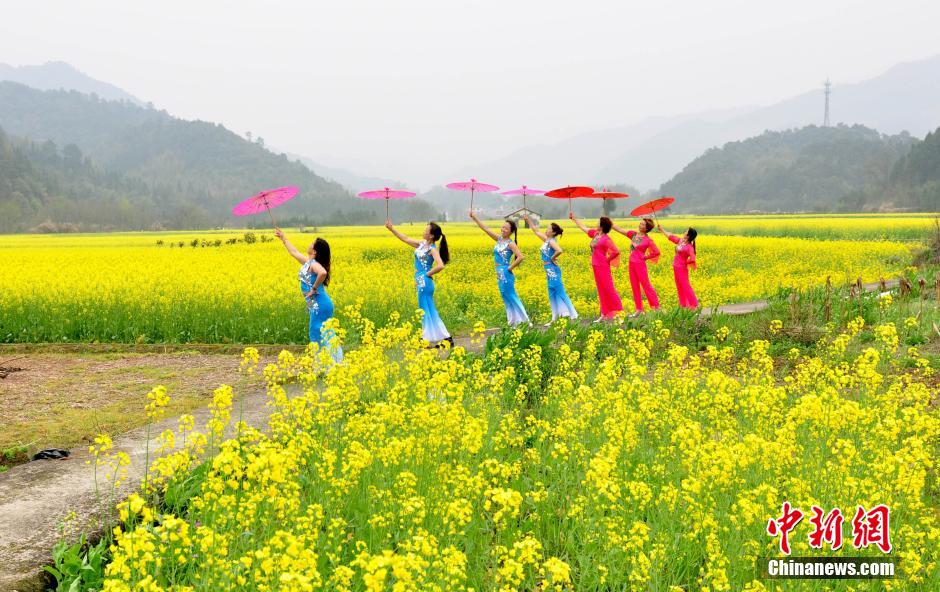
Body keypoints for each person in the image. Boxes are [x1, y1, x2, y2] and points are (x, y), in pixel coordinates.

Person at [274, 228, 343, 361]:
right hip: (318, 304)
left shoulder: (314, 264)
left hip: (320, 304)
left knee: (318, 333)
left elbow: (322, 273)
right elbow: (294, 252)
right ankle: (330, 363)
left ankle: (330, 363)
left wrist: (313, 289)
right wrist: (283, 238)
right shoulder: (309, 262)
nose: (309, 244)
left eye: (312, 243)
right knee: (323, 333)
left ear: (315, 251)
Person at [385, 219, 453, 347]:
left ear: (431, 235)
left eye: (426, 230)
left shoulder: (432, 249)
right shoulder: (422, 244)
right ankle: (445, 338)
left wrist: (427, 274)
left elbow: (440, 265)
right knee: (429, 309)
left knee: (425, 310)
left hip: (425, 281)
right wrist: (391, 228)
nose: (424, 231)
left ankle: (427, 338)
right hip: (421, 280)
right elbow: (405, 239)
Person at [469, 211, 530, 326]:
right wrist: (475, 217)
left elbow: (520, 257)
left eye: (506, 228)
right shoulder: (499, 239)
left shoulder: (510, 243)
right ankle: (513, 322)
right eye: (503, 227)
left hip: (506, 273)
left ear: (511, 231)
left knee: (512, 296)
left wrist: (510, 268)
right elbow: (486, 229)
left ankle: (525, 321)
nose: (503, 229)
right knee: (505, 296)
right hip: (499, 272)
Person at [523, 213, 578, 324]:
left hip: (553, 269)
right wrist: (528, 220)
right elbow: (536, 231)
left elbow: (559, 250)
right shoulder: (547, 240)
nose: (546, 230)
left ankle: (574, 315)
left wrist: (552, 258)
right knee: (552, 294)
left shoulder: (552, 241)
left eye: (548, 229)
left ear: (553, 232)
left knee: (561, 292)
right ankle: (554, 318)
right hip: (548, 270)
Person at [569, 213, 623, 321]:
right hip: (596, 266)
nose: (596, 223)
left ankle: (620, 313)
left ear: (602, 226)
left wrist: (607, 260)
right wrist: (574, 219)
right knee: (601, 290)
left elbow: (616, 251)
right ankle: (604, 313)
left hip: (603, 266)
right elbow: (584, 228)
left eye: (598, 222)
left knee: (609, 289)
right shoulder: (596, 234)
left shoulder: (606, 239)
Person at [612, 218, 661, 315]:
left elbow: (657, 252)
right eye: (640, 223)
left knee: (646, 286)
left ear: (647, 228)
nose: (640, 225)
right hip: (631, 264)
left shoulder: (648, 240)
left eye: (643, 224)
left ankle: (656, 307)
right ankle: (639, 309)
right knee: (634, 286)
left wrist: (646, 257)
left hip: (640, 265)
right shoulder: (633, 235)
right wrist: (610, 223)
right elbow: (620, 230)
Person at [657, 224, 699, 308]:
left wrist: (684, 263)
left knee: (686, 286)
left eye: (686, 231)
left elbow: (693, 259)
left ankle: (694, 305)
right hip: (676, 268)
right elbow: (671, 237)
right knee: (679, 286)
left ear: (688, 236)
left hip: (682, 269)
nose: (684, 232)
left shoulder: (689, 247)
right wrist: (662, 230)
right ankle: (683, 305)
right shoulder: (681, 241)